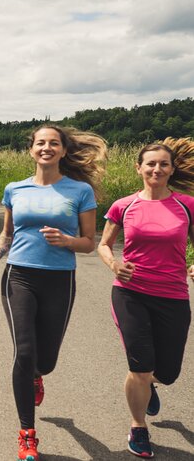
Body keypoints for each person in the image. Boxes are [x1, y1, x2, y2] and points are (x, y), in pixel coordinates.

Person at [0, 124, 107, 461]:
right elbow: (6, 233)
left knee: (45, 360)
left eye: (54, 143)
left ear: (64, 151)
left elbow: (89, 243)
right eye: (41, 143)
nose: (47, 148)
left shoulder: (79, 191)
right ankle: (27, 435)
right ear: (31, 149)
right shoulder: (15, 188)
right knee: (24, 353)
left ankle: (38, 375)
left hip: (59, 280)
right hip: (19, 276)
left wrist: (67, 242)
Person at [97, 138, 194, 458]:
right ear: (139, 168)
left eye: (163, 164)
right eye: (150, 163)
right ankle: (139, 426)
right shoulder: (123, 205)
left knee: (167, 373)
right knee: (139, 368)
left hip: (174, 295)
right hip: (131, 293)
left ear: (171, 168)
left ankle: (150, 383)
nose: (156, 169)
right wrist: (114, 264)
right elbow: (104, 244)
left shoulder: (187, 205)